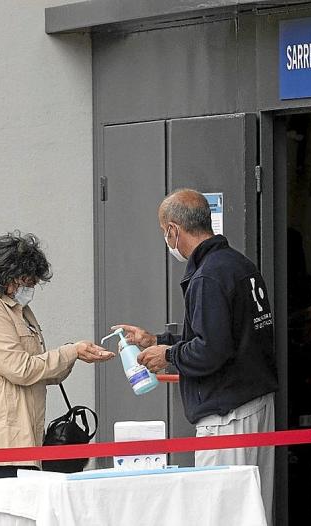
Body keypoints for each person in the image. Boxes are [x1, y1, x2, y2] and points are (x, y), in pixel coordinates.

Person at [113, 189, 278, 523]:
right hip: (255, 405)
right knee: (255, 510)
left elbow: (211, 349)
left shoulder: (207, 276)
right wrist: (155, 340)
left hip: (227, 415)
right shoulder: (237, 264)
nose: (166, 239)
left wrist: (169, 354)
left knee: (222, 514)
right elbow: (217, 335)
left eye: (164, 232)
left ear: (173, 230)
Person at [0, 232, 114, 526]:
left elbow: (35, 367)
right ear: (7, 276)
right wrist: (70, 352)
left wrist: (73, 355)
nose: (31, 287)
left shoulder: (15, 308)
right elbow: (20, 368)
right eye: (27, 280)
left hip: (18, 432)